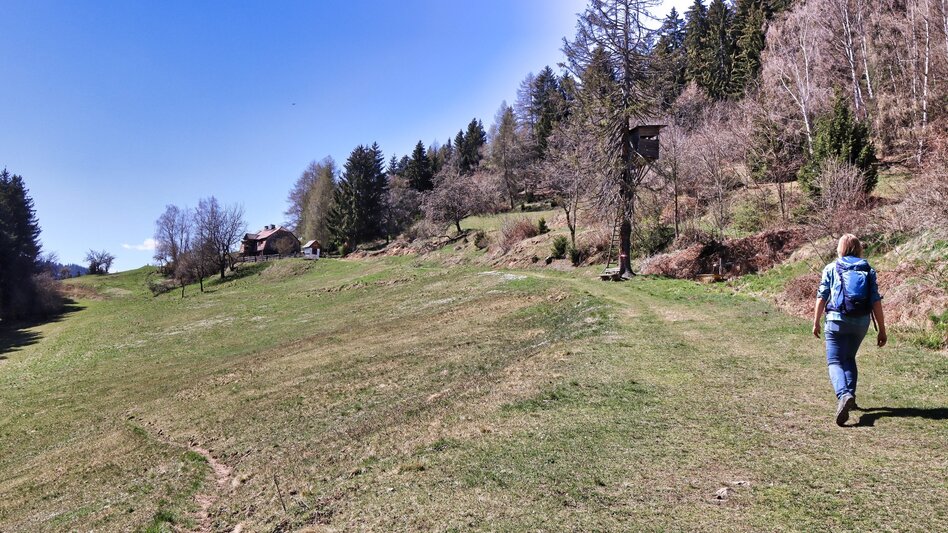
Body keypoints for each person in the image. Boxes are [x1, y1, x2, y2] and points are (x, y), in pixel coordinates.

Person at [812, 234, 886, 426]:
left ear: (840, 248)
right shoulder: (868, 269)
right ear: (859, 248)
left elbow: (822, 296)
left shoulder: (831, 267)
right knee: (849, 358)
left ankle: (843, 395)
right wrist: (882, 329)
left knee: (835, 361)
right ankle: (850, 397)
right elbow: (875, 301)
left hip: (836, 320)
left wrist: (816, 321)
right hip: (860, 322)